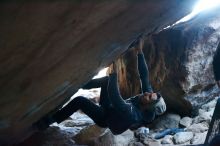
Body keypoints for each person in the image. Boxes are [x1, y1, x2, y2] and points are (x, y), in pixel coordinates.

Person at [33, 37, 166, 135]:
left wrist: (114, 72)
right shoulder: (149, 99)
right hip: (112, 107)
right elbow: (144, 77)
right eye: (150, 93)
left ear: (149, 106)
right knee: (106, 81)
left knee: (79, 101)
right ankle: (81, 84)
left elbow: (115, 98)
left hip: (105, 118)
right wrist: (140, 52)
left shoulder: (134, 115)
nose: (147, 93)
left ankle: (48, 121)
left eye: (149, 97)